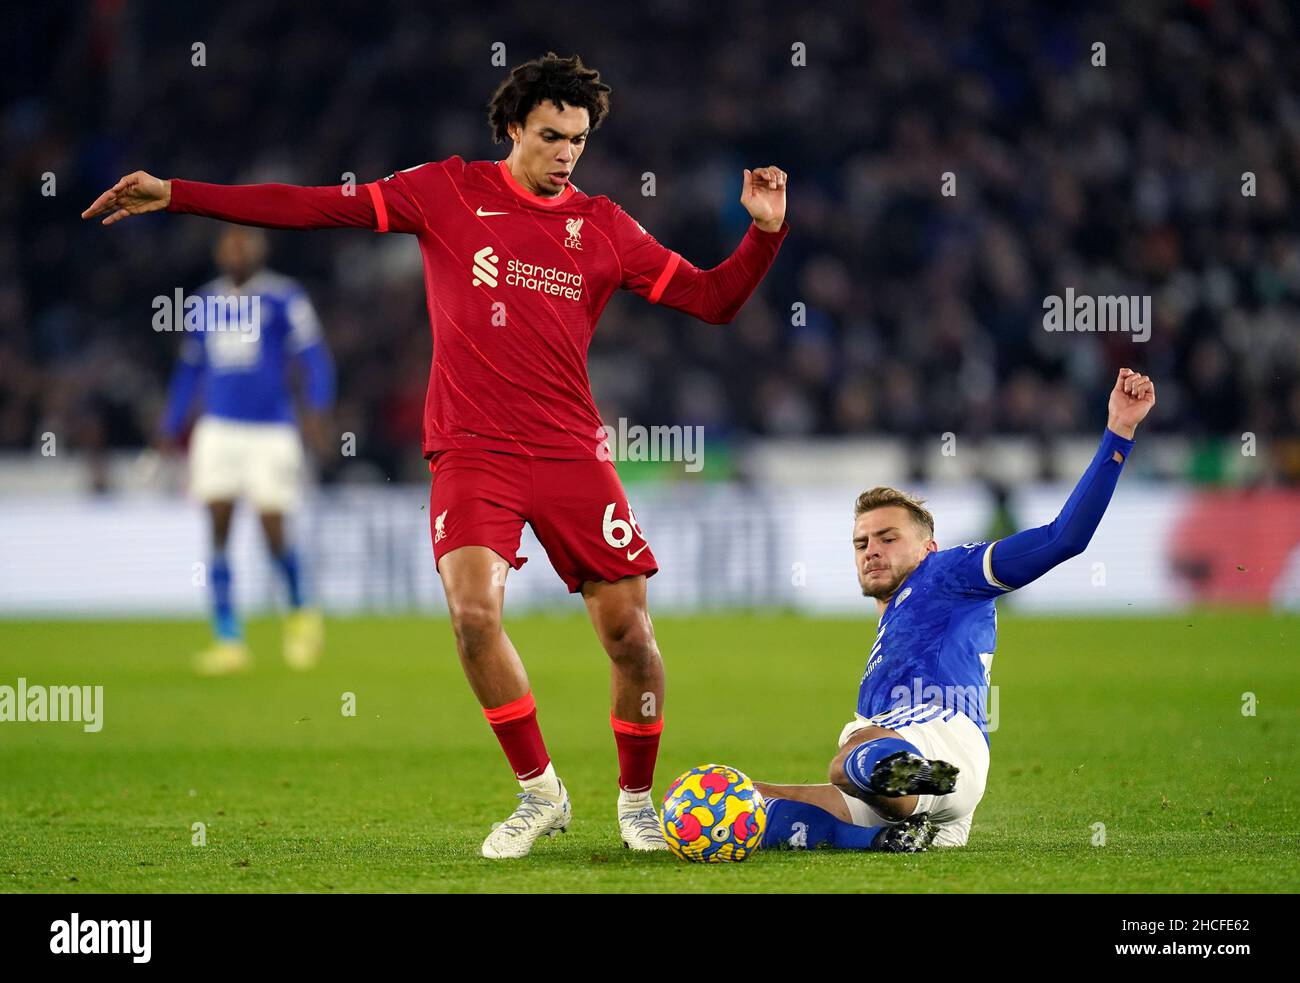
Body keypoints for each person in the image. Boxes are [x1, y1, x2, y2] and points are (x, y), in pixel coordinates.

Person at [84, 52, 788, 857]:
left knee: (630, 636)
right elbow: (313, 208)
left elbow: (713, 299)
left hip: (569, 453)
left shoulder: (604, 228)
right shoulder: (446, 190)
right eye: (553, 136)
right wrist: (179, 193)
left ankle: (635, 800)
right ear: (515, 126)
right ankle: (540, 792)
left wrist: (764, 234)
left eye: (580, 141)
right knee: (472, 616)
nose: (567, 155)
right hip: (472, 448)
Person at [755, 368, 1157, 852]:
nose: (870, 551)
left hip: (943, 738)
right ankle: (891, 836)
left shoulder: (948, 573)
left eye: (887, 538)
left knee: (847, 758)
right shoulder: (895, 625)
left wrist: (1119, 434)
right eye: (861, 543)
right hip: (909, 768)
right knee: (759, 802)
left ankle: (914, 784)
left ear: (928, 547)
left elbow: (1062, 538)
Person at [159, 227, 334, 675]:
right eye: (229, 244)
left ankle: (299, 614)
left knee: (273, 527)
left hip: (271, 430)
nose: (236, 251)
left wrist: (316, 410)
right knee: (217, 525)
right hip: (217, 429)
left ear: (260, 250)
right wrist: (172, 422)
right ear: (219, 252)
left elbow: (314, 357)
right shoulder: (202, 303)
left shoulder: (283, 297)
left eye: (245, 244)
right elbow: (190, 369)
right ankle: (228, 639)